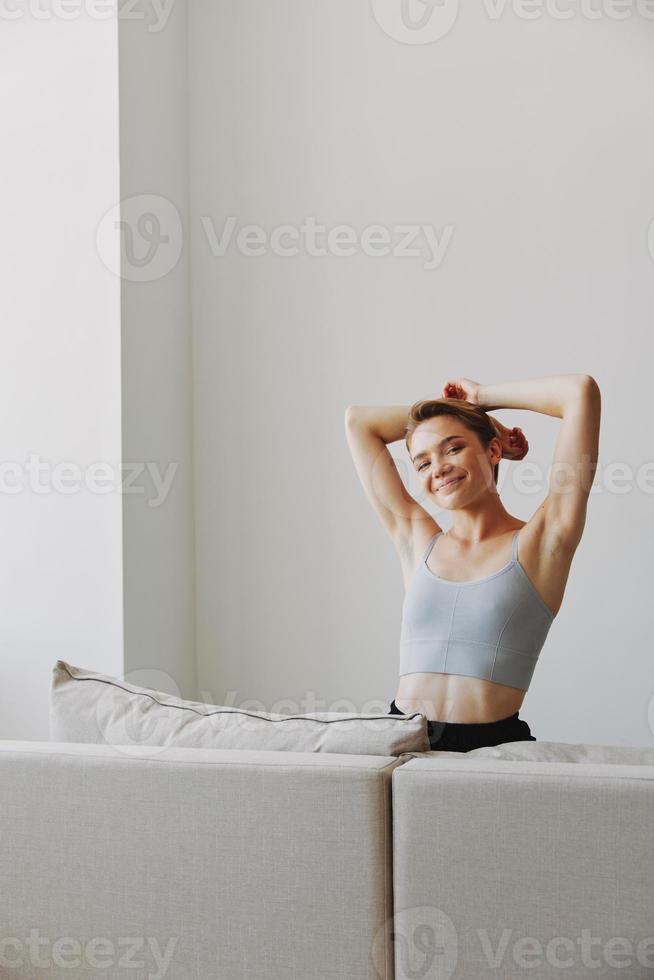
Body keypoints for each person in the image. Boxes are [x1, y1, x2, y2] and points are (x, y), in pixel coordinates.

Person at [344, 374, 601, 751]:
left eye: (453, 448)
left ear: (493, 452)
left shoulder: (543, 542)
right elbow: (358, 423)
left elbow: (579, 393)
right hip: (401, 738)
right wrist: (465, 416)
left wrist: (481, 398)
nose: (438, 468)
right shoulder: (417, 542)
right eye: (422, 463)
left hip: (489, 747)